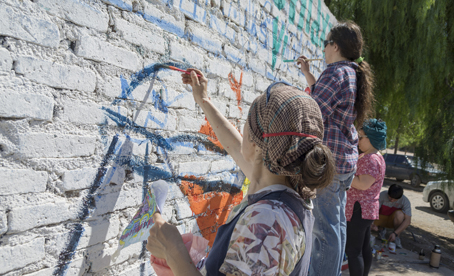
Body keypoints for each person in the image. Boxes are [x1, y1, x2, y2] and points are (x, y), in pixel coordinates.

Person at [146, 69, 336, 275]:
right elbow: (235, 147)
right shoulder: (281, 187)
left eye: (247, 122)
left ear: (257, 145)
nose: (242, 129)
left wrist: (172, 250)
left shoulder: (268, 222)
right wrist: (203, 100)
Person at [297, 20, 375, 275]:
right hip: (345, 163)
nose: (323, 49)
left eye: (325, 43)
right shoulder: (351, 72)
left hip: (330, 164)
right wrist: (308, 73)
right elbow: (327, 99)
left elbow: (314, 112)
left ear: (336, 45)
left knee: (324, 230)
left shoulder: (336, 72)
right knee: (337, 225)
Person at [345, 119, 387, 276]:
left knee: (353, 251)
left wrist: (343, 175)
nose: (358, 139)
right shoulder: (375, 156)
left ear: (372, 139)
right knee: (363, 248)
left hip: (359, 210)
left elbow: (363, 184)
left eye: (361, 137)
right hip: (365, 211)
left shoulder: (371, 159)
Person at [371, 184, 412, 249]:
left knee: (400, 214)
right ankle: (381, 230)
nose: (391, 200)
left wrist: (395, 233)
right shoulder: (382, 195)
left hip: (392, 221)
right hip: (380, 219)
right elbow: (373, 211)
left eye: (395, 199)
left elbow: (408, 221)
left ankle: (396, 237)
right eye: (390, 197)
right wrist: (371, 223)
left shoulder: (405, 201)